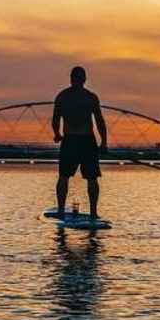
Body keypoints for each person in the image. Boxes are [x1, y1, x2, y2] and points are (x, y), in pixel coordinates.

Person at [52, 66, 108, 220]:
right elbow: (99, 121)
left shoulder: (63, 97)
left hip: (77, 141)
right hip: (81, 141)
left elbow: (56, 119)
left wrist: (57, 134)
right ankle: (89, 213)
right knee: (69, 177)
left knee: (74, 177)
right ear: (84, 79)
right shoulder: (89, 97)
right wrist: (103, 142)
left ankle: (72, 212)